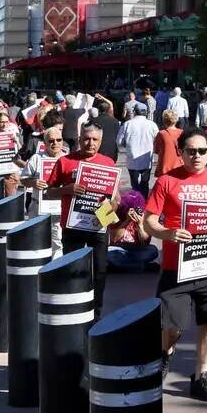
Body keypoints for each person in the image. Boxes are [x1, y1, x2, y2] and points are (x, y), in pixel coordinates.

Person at [144, 130, 207, 401]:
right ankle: (165, 353)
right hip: (176, 268)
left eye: (202, 151)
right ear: (181, 152)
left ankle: (201, 377)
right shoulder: (167, 181)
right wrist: (168, 233)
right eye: (191, 151)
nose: (197, 156)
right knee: (173, 325)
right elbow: (149, 221)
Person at [45, 122, 120, 316]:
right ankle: (74, 306)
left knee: (101, 268)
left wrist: (112, 207)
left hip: (100, 223)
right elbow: (49, 192)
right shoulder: (65, 161)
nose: (90, 143)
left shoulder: (108, 163)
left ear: (101, 141)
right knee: (73, 268)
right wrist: (67, 190)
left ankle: (97, 310)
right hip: (74, 223)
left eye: (95, 139)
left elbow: (116, 197)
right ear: (79, 139)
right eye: (86, 139)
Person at [20, 125, 67, 255]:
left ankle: (55, 272)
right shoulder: (36, 158)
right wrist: (34, 182)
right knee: (36, 243)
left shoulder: (67, 159)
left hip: (59, 209)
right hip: (38, 208)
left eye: (58, 140)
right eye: (51, 140)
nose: (55, 143)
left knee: (57, 243)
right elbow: (23, 179)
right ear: (45, 143)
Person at [107, 190, 158, 272]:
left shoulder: (143, 215)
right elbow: (114, 238)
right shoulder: (116, 213)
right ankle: (142, 267)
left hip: (136, 250)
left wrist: (140, 224)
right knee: (108, 254)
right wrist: (126, 221)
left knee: (153, 250)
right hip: (118, 248)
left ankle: (119, 267)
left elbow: (145, 242)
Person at [118, 103, 159, 195]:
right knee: (145, 183)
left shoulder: (127, 124)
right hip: (146, 159)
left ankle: (136, 204)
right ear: (146, 112)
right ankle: (143, 203)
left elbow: (119, 141)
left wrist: (127, 145)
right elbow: (158, 141)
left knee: (135, 185)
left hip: (132, 159)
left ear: (134, 112)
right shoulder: (152, 125)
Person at [152, 109, 183, 180]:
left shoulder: (162, 134)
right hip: (179, 165)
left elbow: (156, 150)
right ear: (176, 120)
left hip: (165, 166)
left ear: (164, 120)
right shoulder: (182, 133)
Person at [93, 97, 119, 163]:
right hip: (111, 149)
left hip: (98, 149)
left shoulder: (94, 121)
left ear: (98, 110)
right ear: (108, 110)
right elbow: (117, 135)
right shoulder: (115, 121)